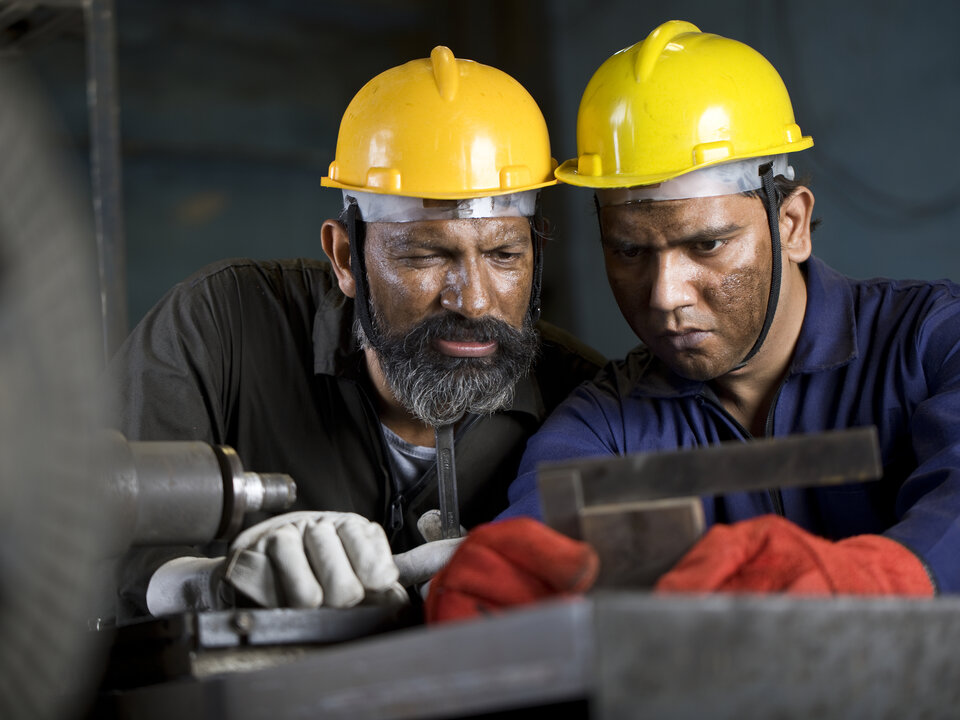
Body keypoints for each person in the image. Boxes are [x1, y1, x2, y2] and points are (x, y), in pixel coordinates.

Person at [425, 20, 959, 622]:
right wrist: (507, 588)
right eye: (629, 252)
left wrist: (883, 577)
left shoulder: (934, 342)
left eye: (706, 246)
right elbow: (545, 537)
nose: (665, 296)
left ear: (792, 225)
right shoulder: (607, 428)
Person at [106, 46, 604, 618]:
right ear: (346, 258)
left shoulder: (580, 399)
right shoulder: (220, 329)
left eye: (504, 254)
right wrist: (208, 585)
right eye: (424, 256)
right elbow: (78, 536)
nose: (473, 300)